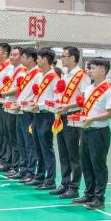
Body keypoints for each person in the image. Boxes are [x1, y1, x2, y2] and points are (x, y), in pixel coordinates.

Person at [72, 58, 111, 210]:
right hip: (86, 130)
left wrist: (92, 119)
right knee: (86, 163)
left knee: (98, 165)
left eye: (93, 68)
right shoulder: (89, 89)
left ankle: (99, 197)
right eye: (90, 68)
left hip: (99, 132)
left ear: (102, 71)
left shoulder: (110, 90)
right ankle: (89, 193)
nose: (90, 71)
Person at [52, 46, 88, 199]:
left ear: (73, 58)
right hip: (62, 116)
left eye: (64, 56)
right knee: (63, 152)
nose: (62, 59)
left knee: (73, 153)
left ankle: (74, 186)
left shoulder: (81, 76)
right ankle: (65, 183)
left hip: (73, 116)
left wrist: (68, 106)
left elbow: (85, 98)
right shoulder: (65, 75)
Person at [31, 49, 60, 191]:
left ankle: (50, 180)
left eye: (38, 58)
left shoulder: (54, 77)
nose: (36, 60)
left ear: (45, 59)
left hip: (46, 115)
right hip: (37, 114)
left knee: (46, 148)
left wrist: (41, 105)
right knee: (38, 147)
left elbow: (57, 100)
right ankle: (40, 176)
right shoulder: (39, 76)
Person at [10, 48, 40, 183]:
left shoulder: (38, 74)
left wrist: (23, 104)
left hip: (29, 113)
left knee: (29, 144)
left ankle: (30, 171)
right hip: (21, 111)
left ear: (30, 59)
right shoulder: (28, 73)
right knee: (21, 143)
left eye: (23, 57)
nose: (21, 59)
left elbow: (36, 96)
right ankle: (23, 169)